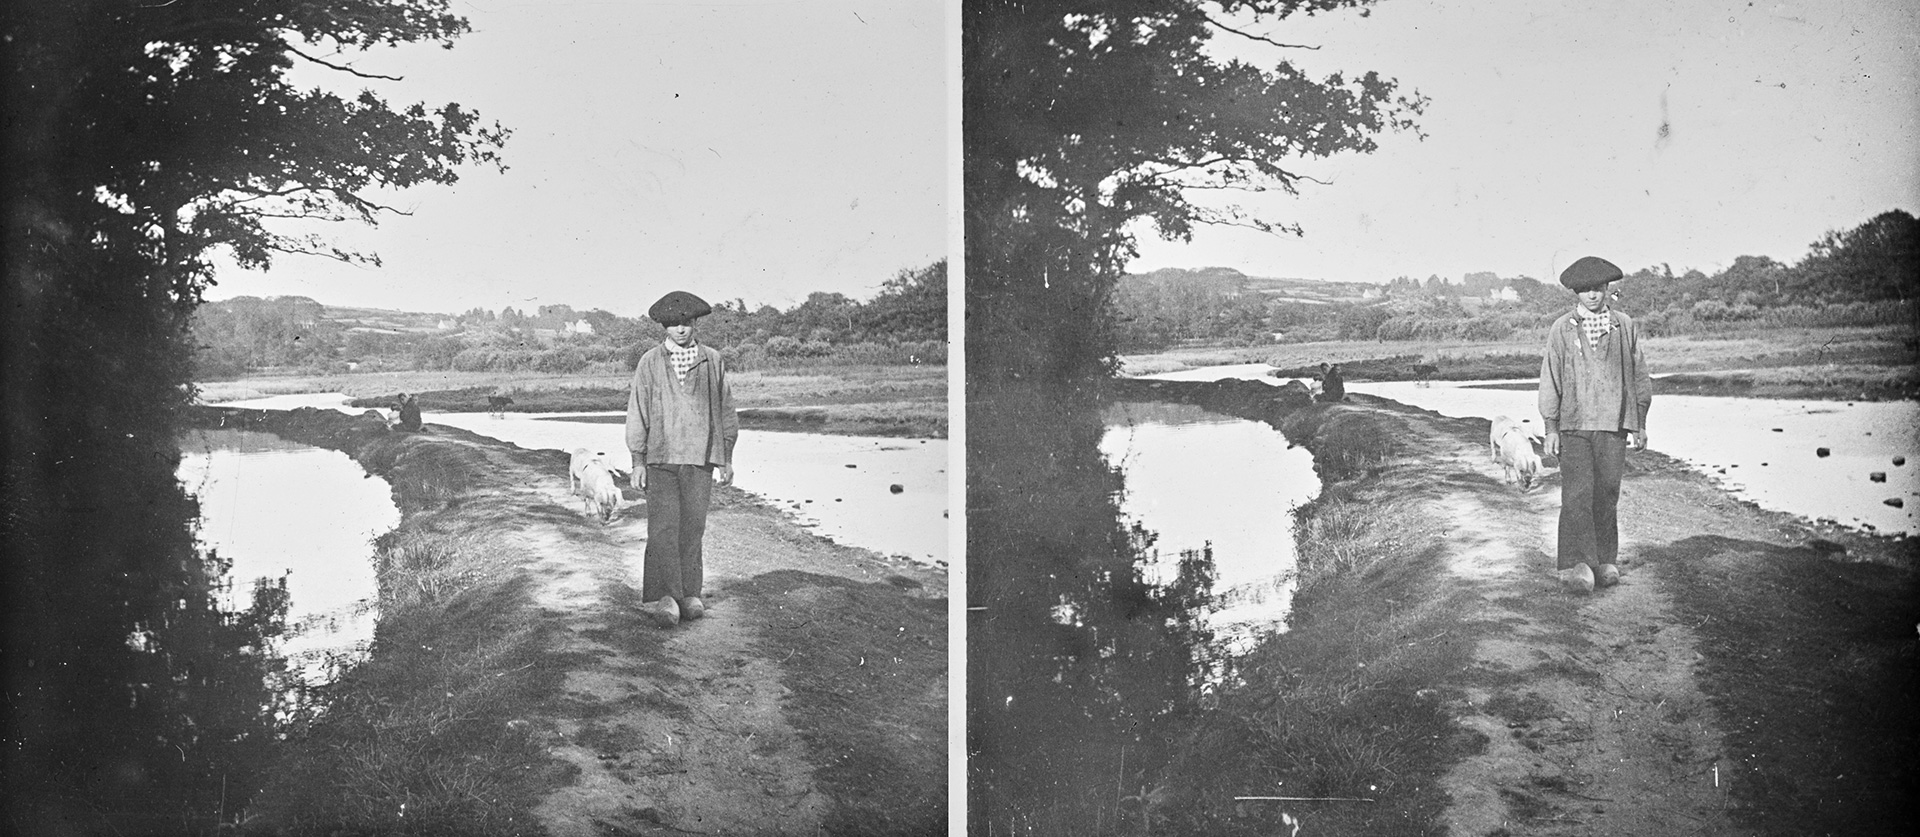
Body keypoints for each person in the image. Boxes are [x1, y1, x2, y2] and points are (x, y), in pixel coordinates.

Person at [1538, 256, 1652, 593]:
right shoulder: (1561, 329)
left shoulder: (1623, 326)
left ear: (1607, 289)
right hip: (1573, 426)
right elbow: (1551, 379)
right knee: (1577, 495)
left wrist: (1640, 423)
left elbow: (1639, 376)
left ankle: (1606, 561)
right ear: (1576, 293)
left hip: (1612, 426)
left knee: (1607, 493)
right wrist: (1551, 428)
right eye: (1585, 290)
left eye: (1598, 289)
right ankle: (1582, 564)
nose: (1592, 296)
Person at [627, 290, 738, 627]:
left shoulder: (712, 361)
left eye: (685, 323)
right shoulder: (649, 362)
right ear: (664, 327)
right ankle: (666, 597)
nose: (680, 330)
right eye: (673, 324)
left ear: (694, 324)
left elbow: (726, 411)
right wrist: (637, 461)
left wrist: (726, 458)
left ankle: (690, 594)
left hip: (699, 458)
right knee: (662, 528)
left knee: (693, 526)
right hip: (660, 459)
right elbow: (638, 412)